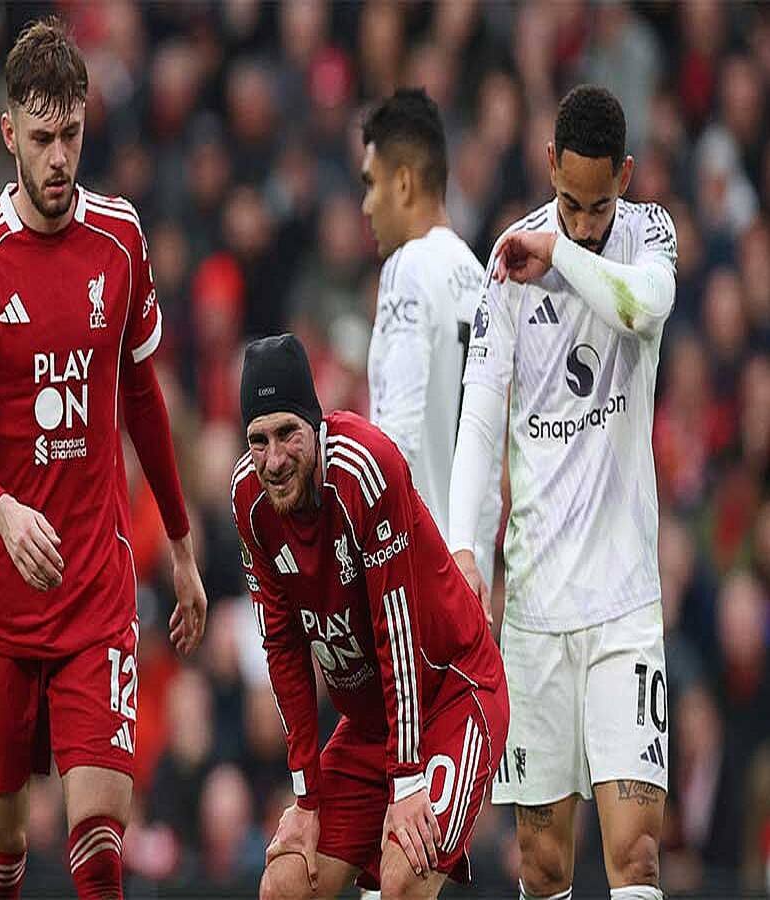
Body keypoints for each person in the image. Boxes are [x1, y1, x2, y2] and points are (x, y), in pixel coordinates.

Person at [0, 18, 207, 899]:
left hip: (94, 589)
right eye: (42, 138)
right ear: (9, 132)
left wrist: (183, 546)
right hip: (0, 598)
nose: (59, 158)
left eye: (72, 135)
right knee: (2, 852)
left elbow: (144, 400)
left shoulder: (119, 239)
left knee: (98, 845)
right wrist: (4, 512)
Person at [449, 85, 676, 900]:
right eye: (570, 205)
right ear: (549, 163)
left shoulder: (650, 234)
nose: (582, 223)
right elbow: (481, 417)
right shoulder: (509, 260)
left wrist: (562, 254)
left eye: (598, 205)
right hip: (536, 611)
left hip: (624, 607)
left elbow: (644, 307)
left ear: (626, 176)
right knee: (542, 865)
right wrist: (464, 550)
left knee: (636, 855)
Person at [231, 333, 508, 900]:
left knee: (403, 876)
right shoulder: (249, 502)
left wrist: (406, 779)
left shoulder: (364, 467)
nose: (274, 460)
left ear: (316, 425)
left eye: (287, 434)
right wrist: (306, 798)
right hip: (371, 725)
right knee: (284, 886)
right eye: (259, 440)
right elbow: (282, 649)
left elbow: (395, 629)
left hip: (451, 693)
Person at [361, 88, 501, 613]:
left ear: (402, 183)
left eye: (371, 183)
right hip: (470, 583)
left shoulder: (408, 267)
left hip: (415, 578)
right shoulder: (483, 280)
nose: (366, 205)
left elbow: (396, 435)